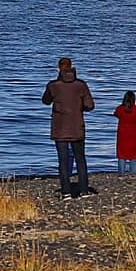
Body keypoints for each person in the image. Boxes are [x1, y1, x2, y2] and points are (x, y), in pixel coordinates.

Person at [42, 57, 95, 197]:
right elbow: (90, 106)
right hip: (77, 126)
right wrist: (78, 107)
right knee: (80, 160)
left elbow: (45, 101)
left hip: (60, 128)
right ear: (71, 67)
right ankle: (84, 190)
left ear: (59, 68)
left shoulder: (53, 85)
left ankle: (66, 191)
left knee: (63, 161)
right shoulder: (81, 85)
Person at [113, 91, 136, 176]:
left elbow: (115, 114)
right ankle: (133, 173)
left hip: (122, 134)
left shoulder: (120, 109)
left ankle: (121, 173)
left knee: (121, 154)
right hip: (134, 135)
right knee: (134, 154)